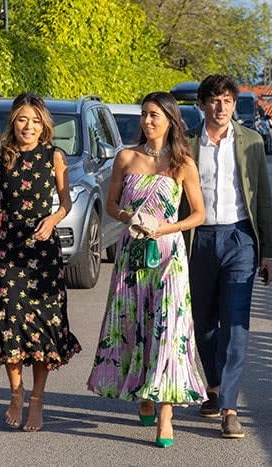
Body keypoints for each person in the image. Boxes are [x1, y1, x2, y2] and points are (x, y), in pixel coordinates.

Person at [87, 92, 207, 448]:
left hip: (169, 254)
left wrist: (164, 228)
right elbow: (110, 205)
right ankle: (143, 391)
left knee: (168, 327)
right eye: (144, 115)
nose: (148, 121)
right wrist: (131, 218)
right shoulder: (126, 157)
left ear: (170, 119)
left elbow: (198, 214)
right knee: (136, 322)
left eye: (155, 115)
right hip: (132, 251)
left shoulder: (183, 162)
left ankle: (166, 415)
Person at [0, 93, 81, 432]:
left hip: (44, 250)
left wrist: (53, 219)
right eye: (23, 119)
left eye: (36, 121)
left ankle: (37, 398)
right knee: (12, 320)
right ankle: (16, 393)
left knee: (44, 323)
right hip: (10, 248)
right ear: (13, 122)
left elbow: (65, 202)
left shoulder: (54, 156)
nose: (29, 126)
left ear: (44, 125)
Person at [180, 74, 272, 439]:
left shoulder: (250, 141)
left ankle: (230, 407)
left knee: (235, 323)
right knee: (202, 322)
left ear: (235, 105)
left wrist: (267, 251)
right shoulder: (187, 143)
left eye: (227, 100)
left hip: (239, 237)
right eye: (214, 100)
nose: (221, 107)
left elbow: (262, 198)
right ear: (203, 104)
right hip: (198, 239)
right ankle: (216, 386)